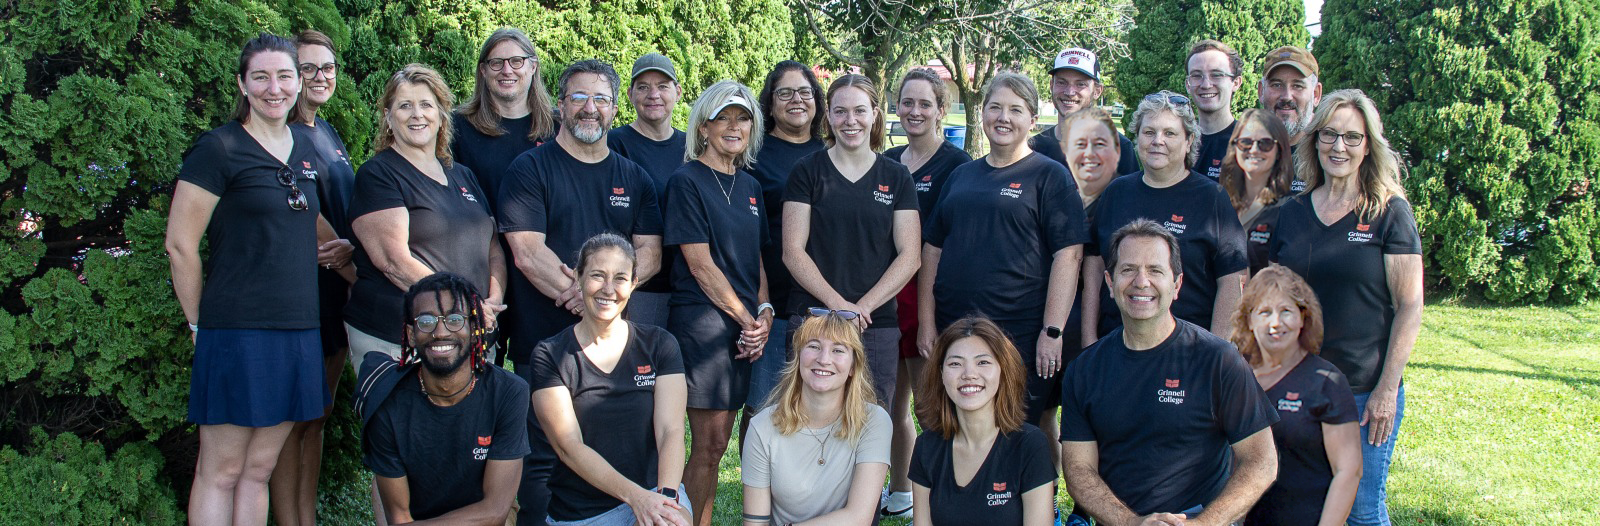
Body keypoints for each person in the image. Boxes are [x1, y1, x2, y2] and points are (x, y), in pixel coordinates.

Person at [166, 33, 334, 526]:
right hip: (235, 330)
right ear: (242, 83)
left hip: (299, 329)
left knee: (259, 470)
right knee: (221, 469)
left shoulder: (304, 148)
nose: (274, 88)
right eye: (260, 77)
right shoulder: (218, 148)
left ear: (299, 82)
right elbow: (180, 245)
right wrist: (201, 327)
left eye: (285, 76)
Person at [498, 59, 665, 526]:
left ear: (615, 108)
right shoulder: (529, 169)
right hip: (542, 339)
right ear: (560, 104)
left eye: (600, 99)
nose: (589, 108)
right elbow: (528, 251)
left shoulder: (634, 178)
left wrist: (603, 295)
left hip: (612, 350)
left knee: (609, 452)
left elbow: (649, 252)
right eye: (578, 97)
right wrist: (590, 297)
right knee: (542, 460)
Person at [1269, 89, 1424, 526]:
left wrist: (1386, 390)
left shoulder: (1389, 212)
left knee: (1360, 509)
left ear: (1368, 146)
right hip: (1296, 386)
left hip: (1360, 391)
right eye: (1330, 134)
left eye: (1352, 138)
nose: (1339, 147)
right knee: (1302, 502)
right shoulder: (1293, 212)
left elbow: (1410, 305)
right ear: (1314, 140)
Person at [1059, 219, 1279, 526]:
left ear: (1176, 285)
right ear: (1109, 283)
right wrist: (1131, 523)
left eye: (1155, 270)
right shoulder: (1084, 370)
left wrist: (1203, 523)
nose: (1141, 281)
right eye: (1128, 269)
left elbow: (1261, 462)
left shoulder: (1218, 360)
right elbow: (1079, 472)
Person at [920, 72, 1086, 467]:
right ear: (982, 113)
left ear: (1032, 118)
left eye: (1015, 109)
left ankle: (1039, 508)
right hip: (957, 331)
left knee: (1019, 432)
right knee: (958, 425)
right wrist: (927, 322)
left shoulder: (1050, 176)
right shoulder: (962, 175)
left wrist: (1052, 330)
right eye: (995, 107)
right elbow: (931, 250)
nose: (1003, 117)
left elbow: (1070, 255)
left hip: (1022, 334)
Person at [343, 63, 507, 368]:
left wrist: (492, 301)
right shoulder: (379, 175)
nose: (417, 114)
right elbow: (394, 263)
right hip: (401, 339)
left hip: (470, 334)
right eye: (405, 105)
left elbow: (492, 246)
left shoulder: (462, 175)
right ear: (389, 118)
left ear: (442, 115)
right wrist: (466, 305)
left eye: (426, 105)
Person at [665, 80, 774, 526]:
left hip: (744, 329)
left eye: (743, 117)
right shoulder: (686, 181)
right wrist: (749, 320)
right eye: (723, 117)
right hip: (704, 328)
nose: (734, 126)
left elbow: (758, 260)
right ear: (703, 127)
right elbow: (700, 265)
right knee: (708, 444)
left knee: (721, 441)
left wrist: (764, 314)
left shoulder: (751, 186)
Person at [529, 234, 692, 525]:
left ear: (632, 284)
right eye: (597, 275)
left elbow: (671, 430)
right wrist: (636, 498)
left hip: (656, 492)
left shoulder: (660, 344)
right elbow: (569, 446)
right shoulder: (550, 354)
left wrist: (665, 501)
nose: (608, 289)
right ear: (578, 279)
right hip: (582, 512)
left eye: (620, 278)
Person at [782, 73, 919, 407]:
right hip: (814, 319)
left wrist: (863, 308)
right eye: (840, 111)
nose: (850, 120)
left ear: (875, 113)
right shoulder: (807, 171)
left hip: (876, 325)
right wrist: (840, 306)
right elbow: (792, 251)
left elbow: (910, 255)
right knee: (810, 422)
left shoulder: (896, 176)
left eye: (860, 110)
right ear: (828, 115)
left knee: (872, 425)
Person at [355, 273, 529, 524]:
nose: (440, 331)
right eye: (426, 321)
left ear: (474, 328)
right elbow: (399, 517)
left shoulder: (508, 392)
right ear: (411, 334)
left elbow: (495, 510)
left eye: (455, 319)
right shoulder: (386, 400)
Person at [270, 28, 357, 526]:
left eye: (328, 67)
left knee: (317, 419)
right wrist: (356, 276)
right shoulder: (284, 136)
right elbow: (312, 222)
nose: (320, 77)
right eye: (308, 68)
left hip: (336, 296)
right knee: (294, 422)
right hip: (307, 294)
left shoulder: (325, 131)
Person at [880, 67, 971, 520]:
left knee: (930, 403)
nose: (914, 111)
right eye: (907, 102)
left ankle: (945, 492)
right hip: (887, 299)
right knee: (892, 403)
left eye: (924, 103)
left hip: (929, 299)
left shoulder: (958, 167)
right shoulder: (889, 160)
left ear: (941, 110)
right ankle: (901, 491)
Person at [1083, 91, 1248, 340]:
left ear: (1189, 140)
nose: (1157, 141)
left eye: (1169, 133)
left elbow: (1232, 278)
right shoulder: (1116, 192)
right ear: (1137, 137)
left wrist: (1218, 352)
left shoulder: (1211, 198)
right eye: (1149, 132)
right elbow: (1095, 265)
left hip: (1188, 349)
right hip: (1116, 343)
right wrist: (1089, 338)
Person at [1231, 264, 1362, 525]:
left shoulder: (1328, 382)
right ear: (1249, 319)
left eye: (1286, 311)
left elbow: (1348, 471)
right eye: (1265, 312)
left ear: (1303, 318)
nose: (1275, 323)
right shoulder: (1237, 377)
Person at [741, 313, 892, 526]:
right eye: (814, 346)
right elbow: (755, 523)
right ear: (798, 356)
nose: (824, 359)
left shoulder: (874, 421)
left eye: (838, 350)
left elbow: (859, 518)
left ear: (852, 367)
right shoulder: (762, 427)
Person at [910, 317, 1057, 526]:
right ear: (941, 373)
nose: (969, 374)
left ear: (1003, 370)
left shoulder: (1030, 445)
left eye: (983, 362)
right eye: (955, 363)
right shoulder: (926, 447)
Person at [747, 60, 828, 423]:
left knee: (817, 408)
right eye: (785, 93)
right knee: (762, 407)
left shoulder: (834, 153)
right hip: (772, 302)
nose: (796, 100)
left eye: (804, 92)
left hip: (826, 303)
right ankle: (756, 481)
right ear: (771, 102)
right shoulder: (752, 155)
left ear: (817, 100)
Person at [608, 53, 688, 329]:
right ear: (630, 95)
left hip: (687, 290)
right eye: (643, 87)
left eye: (662, 86)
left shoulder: (693, 148)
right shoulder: (613, 145)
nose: (653, 94)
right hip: (637, 289)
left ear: (677, 92)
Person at [452, 27, 557, 209]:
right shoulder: (458, 127)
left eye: (517, 61)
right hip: (483, 237)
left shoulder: (558, 126)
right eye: (497, 63)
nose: (507, 70)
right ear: (483, 70)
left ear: (533, 67)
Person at [1030, 47, 1139, 176]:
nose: (1069, 92)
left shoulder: (1120, 148)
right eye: (1061, 82)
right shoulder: (1034, 148)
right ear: (1051, 85)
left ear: (1097, 91)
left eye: (1080, 84)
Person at [1218, 108, 1295, 275]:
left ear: (1279, 150)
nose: (1253, 150)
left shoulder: (1291, 209)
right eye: (1245, 142)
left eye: (1265, 143)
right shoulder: (1217, 201)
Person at [1186, 39, 1245, 181]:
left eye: (1217, 75)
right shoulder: (1177, 142)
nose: (1206, 84)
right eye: (1196, 75)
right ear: (1188, 85)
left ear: (1236, 83)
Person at [1258, 46, 1323, 147]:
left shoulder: (1331, 152)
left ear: (1316, 94)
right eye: (1276, 85)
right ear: (1261, 91)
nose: (1287, 96)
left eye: (1298, 86)